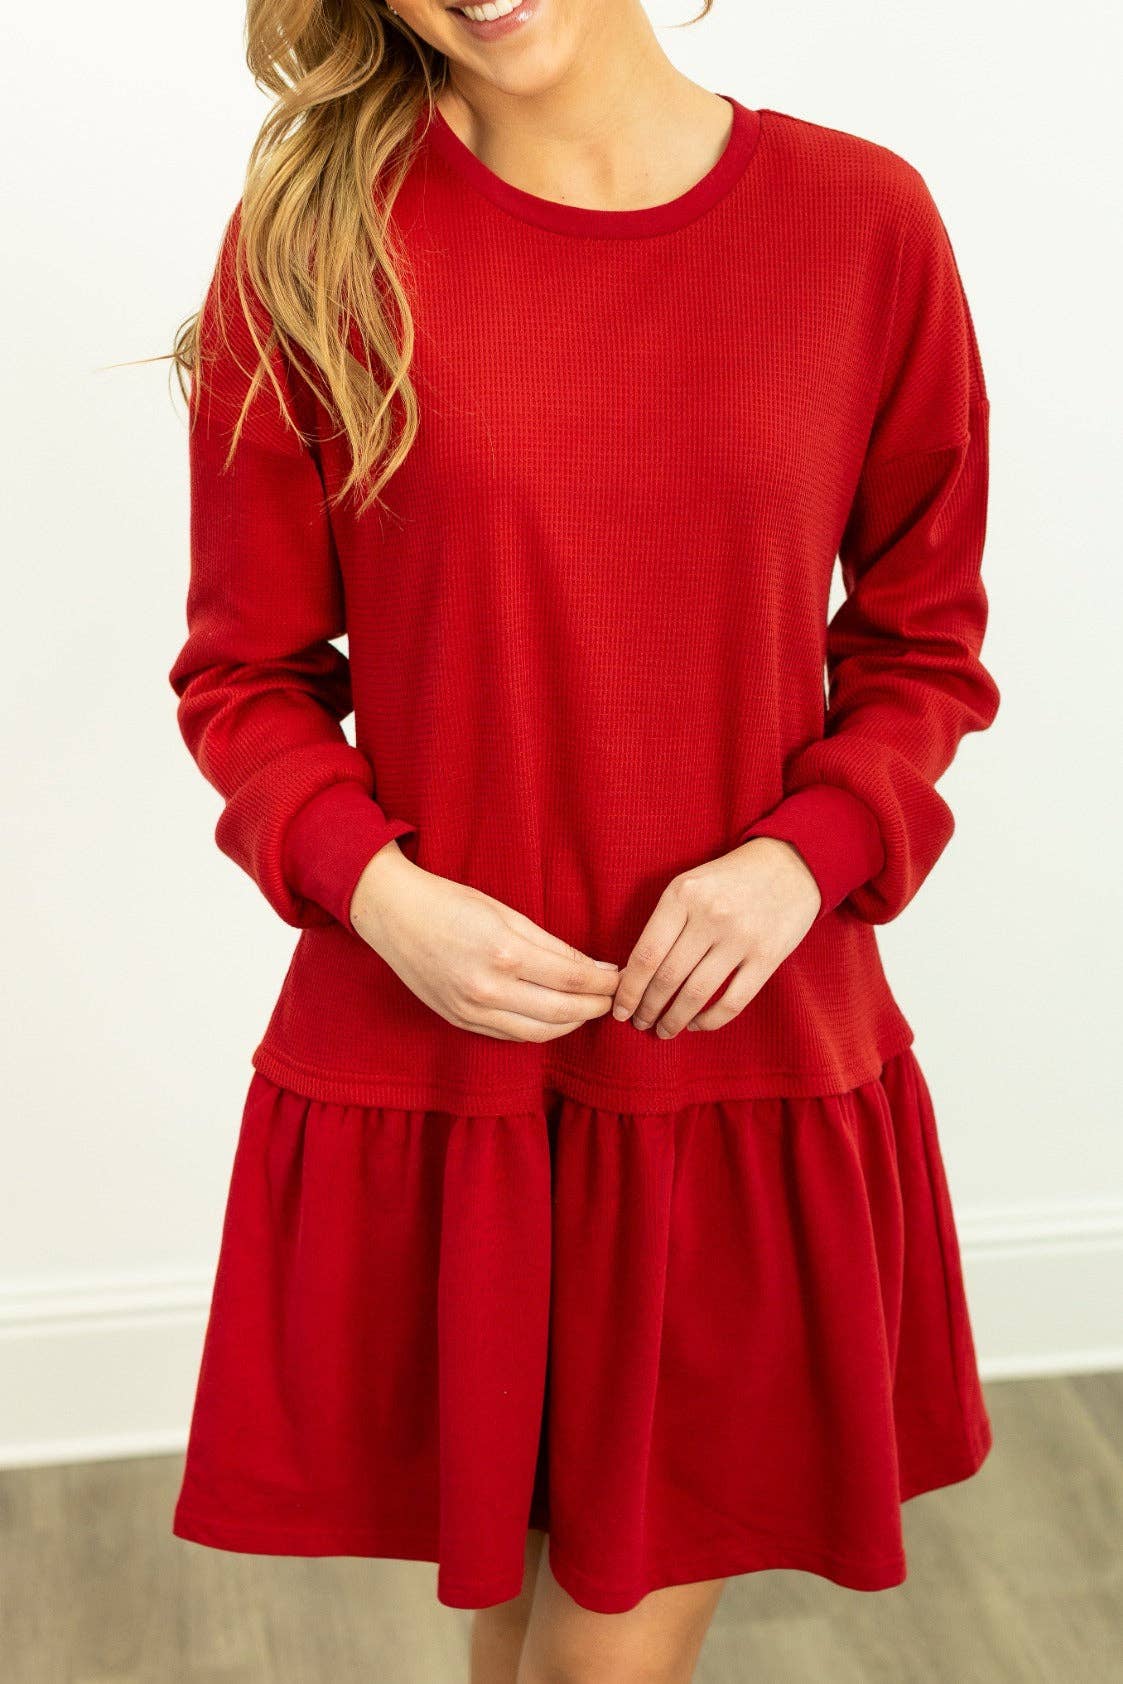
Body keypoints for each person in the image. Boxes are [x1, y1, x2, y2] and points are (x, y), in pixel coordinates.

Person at [165, 2, 1001, 1680]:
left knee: (583, 1662)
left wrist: (805, 854)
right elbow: (245, 676)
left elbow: (925, 641)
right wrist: (382, 896)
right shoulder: (315, 241)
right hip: (452, 1073)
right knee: (526, 1629)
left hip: (733, 1067)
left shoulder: (863, 222)